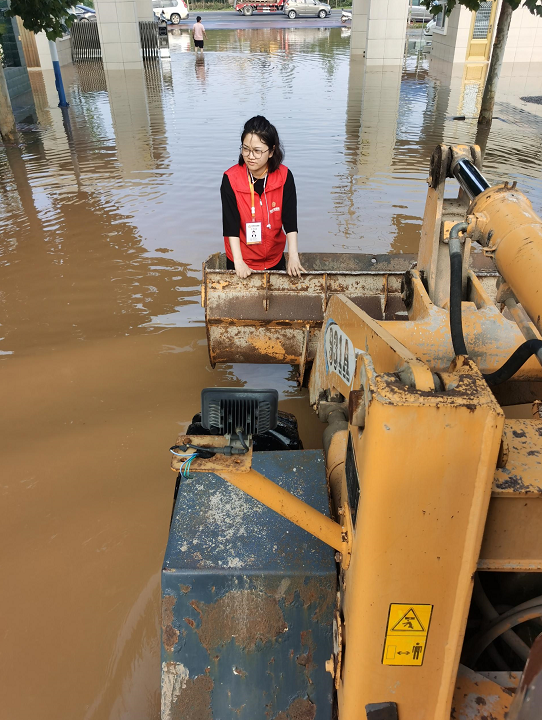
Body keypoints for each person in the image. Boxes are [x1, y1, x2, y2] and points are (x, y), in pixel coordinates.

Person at [221, 116, 305, 278]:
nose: (250, 156)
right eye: (246, 149)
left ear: (272, 151)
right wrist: (238, 262)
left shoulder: (284, 176)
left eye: (257, 151)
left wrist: (293, 256)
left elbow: (290, 220)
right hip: (242, 260)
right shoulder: (230, 179)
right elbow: (230, 224)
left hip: (274, 257)